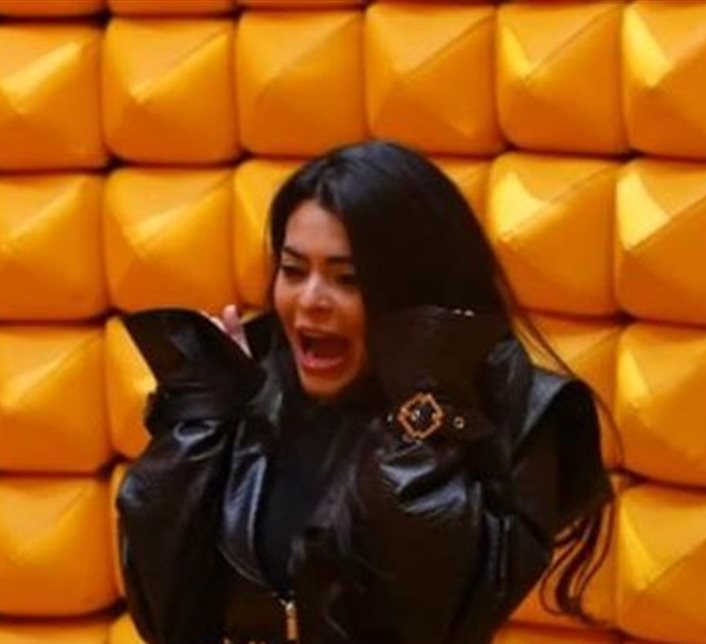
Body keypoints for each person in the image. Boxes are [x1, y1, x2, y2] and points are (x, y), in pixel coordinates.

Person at [116, 140, 614, 644]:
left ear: (414, 292)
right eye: (293, 270)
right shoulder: (252, 395)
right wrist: (205, 414)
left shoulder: (508, 418)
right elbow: (166, 617)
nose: (310, 300)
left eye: (348, 279)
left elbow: (420, 618)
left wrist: (425, 409)